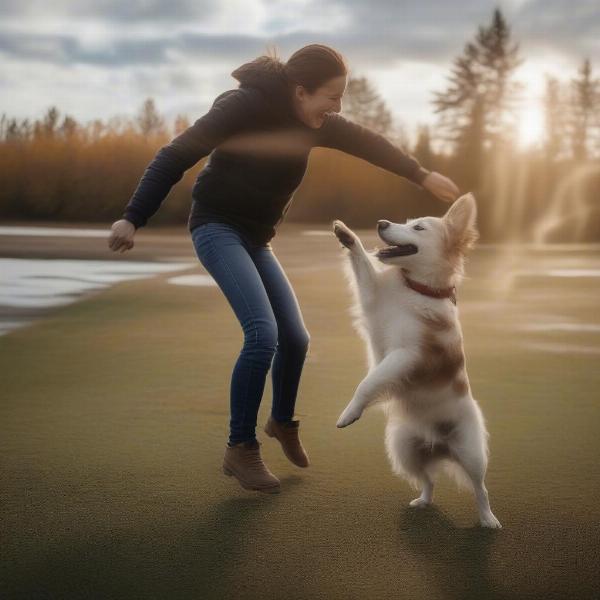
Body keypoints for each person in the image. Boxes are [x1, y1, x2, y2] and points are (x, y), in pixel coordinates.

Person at [108, 44, 460, 494]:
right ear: (299, 90)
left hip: (257, 238)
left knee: (295, 338)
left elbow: (368, 143)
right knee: (262, 334)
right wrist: (133, 216)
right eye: (332, 97)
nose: (337, 107)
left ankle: (281, 421)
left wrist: (420, 174)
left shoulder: (316, 124)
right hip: (216, 226)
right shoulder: (244, 107)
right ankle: (240, 447)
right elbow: (175, 154)